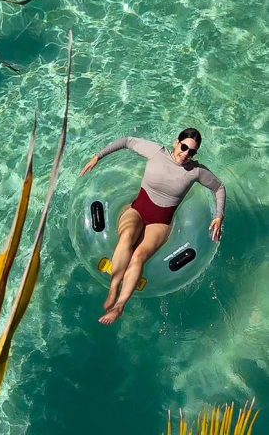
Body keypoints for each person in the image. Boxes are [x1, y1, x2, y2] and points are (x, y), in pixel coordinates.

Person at [80, 129, 226, 325]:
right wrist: (98, 156)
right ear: (176, 142)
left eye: (192, 152)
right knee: (126, 237)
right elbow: (126, 140)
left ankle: (120, 306)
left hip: (160, 222)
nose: (186, 154)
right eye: (184, 147)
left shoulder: (196, 171)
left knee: (139, 256)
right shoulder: (157, 152)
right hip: (137, 210)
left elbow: (219, 188)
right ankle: (114, 289)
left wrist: (219, 216)